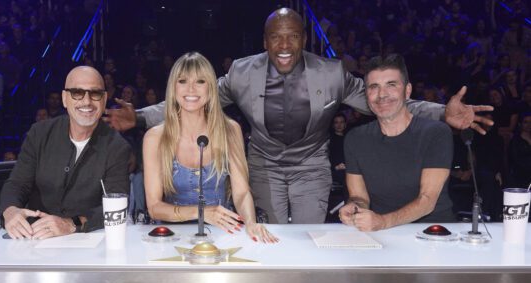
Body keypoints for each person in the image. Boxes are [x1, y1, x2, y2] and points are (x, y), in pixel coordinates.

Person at [106, 8, 493, 224]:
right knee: (272, 235)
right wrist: (139, 118)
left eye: (293, 35)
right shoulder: (242, 73)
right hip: (265, 164)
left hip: (310, 165)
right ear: (265, 42)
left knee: (307, 236)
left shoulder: (331, 73)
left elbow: (382, 100)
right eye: (277, 36)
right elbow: (193, 97)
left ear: (304, 38)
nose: (285, 44)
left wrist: (443, 112)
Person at [143, 52, 277, 243]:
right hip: (173, 236)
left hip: (223, 233)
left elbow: (241, 192)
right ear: (173, 88)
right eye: (182, 81)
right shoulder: (155, 137)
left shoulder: (229, 130)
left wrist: (250, 222)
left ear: (211, 88)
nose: (191, 89)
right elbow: (154, 207)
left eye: (200, 81)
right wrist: (202, 212)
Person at [0, 66, 131, 239]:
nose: (87, 101)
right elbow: (17, 184)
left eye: (95, 93)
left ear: (104, 99)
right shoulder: (39, 133)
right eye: (77, 92)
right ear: (64, 98)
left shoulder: (117, 146)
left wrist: (71, 223)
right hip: (34, 240)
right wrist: (10, 211)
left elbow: (116, 206)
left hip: (87, 243)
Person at [339, 54, 455, 231]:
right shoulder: (355, 138)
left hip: (433, 233)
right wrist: (355, 207)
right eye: (374, 87)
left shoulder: (436, 133)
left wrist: (382, 222)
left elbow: (427, 200)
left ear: (407, 91)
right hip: (381, 234)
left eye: (391, 85)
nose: (382, 95)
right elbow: (359, 197)